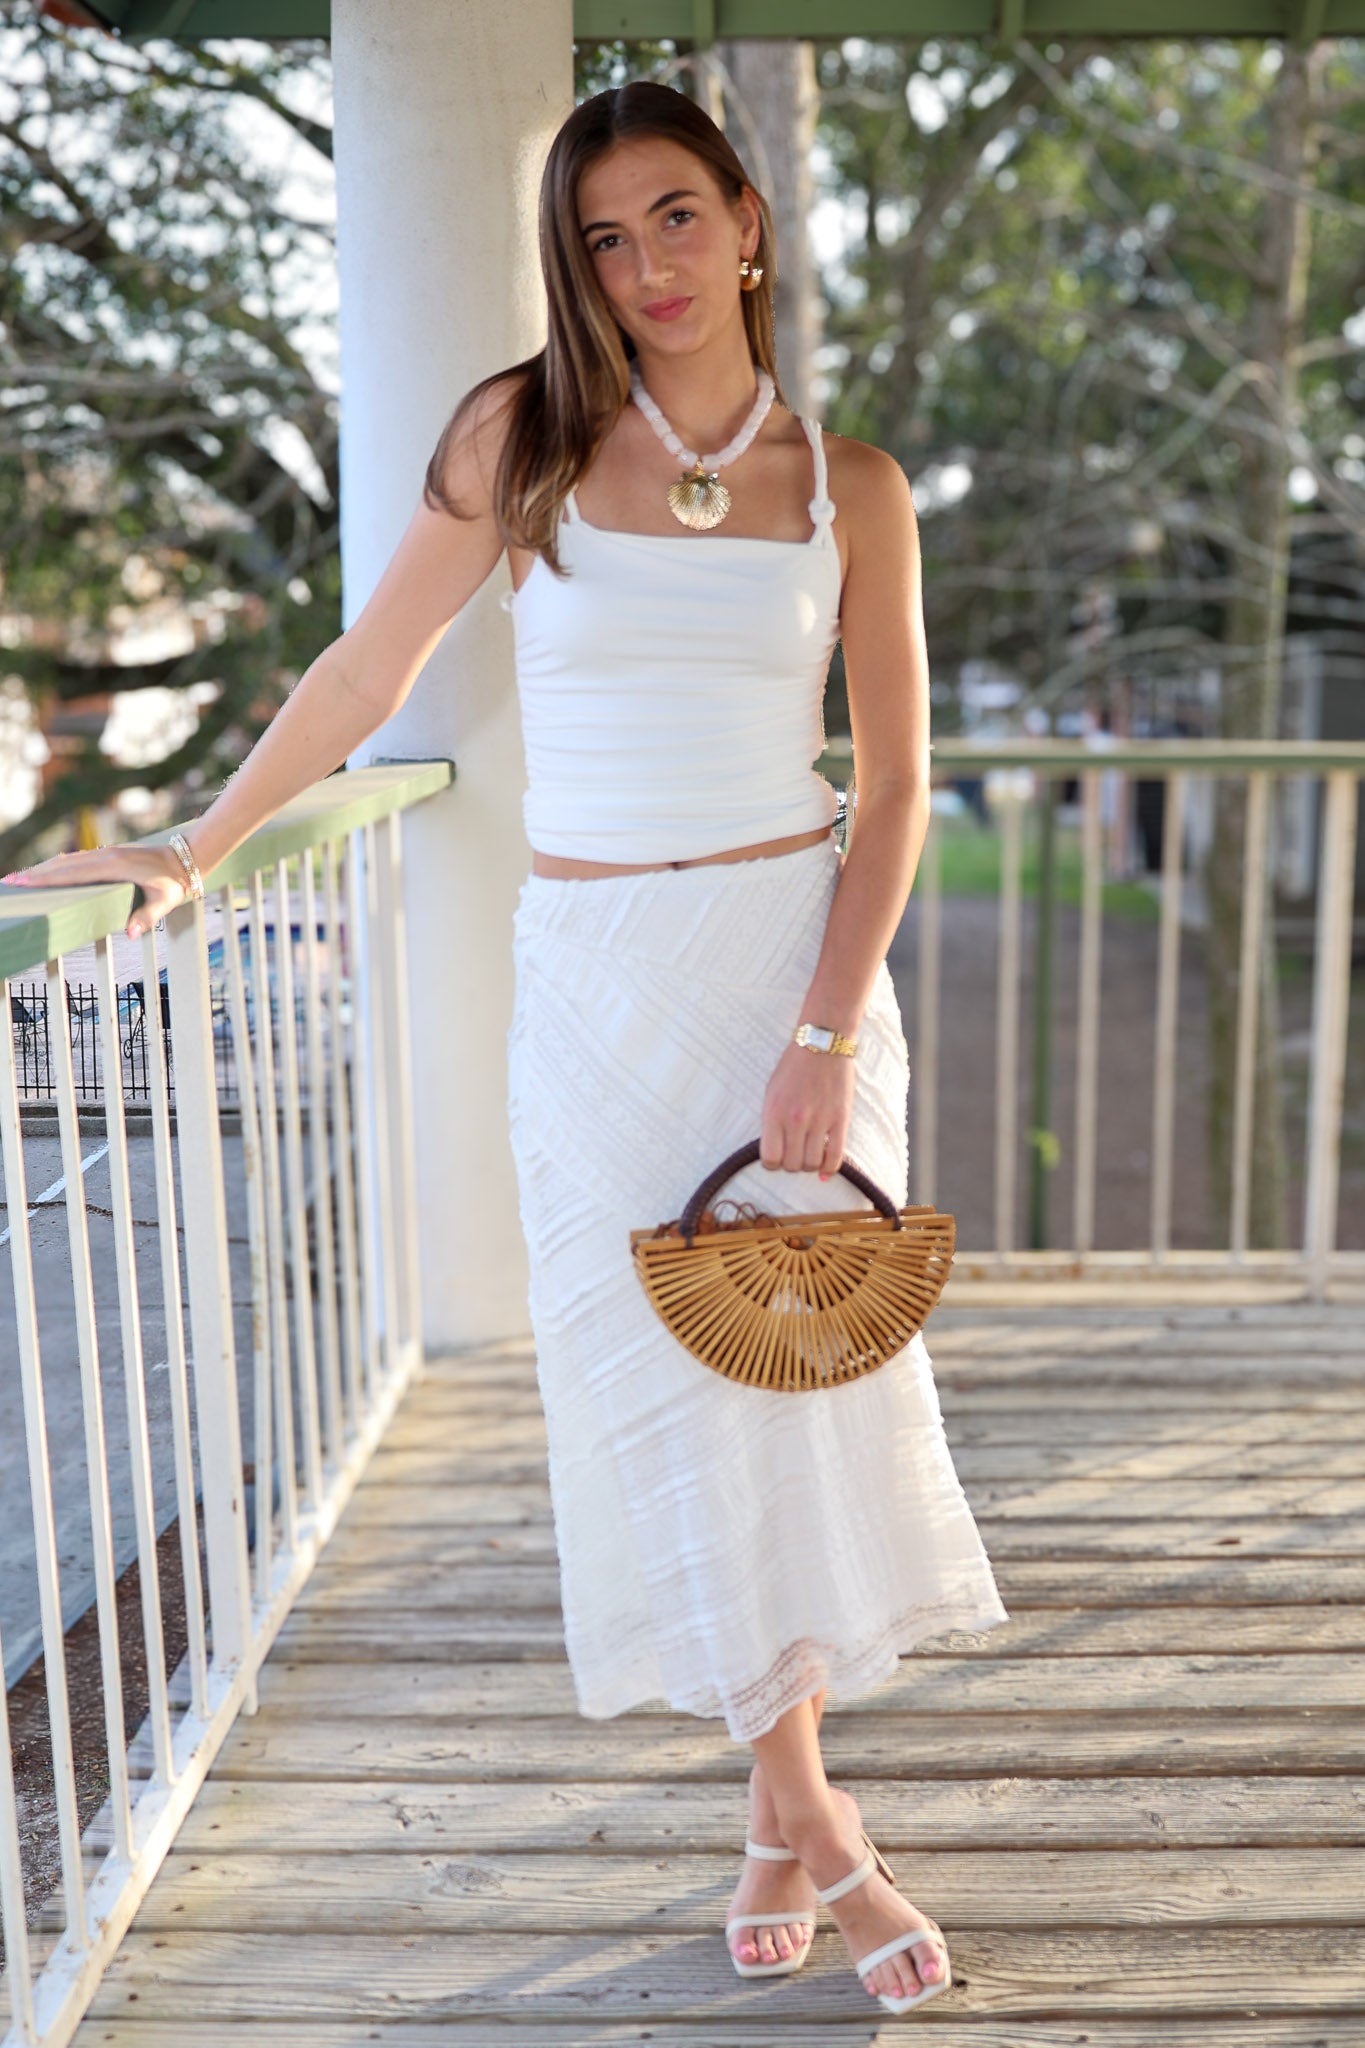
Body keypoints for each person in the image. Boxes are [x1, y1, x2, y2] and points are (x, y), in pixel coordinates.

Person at [3, 78, 1010, 2018]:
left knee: (787, 1378)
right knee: (664, 1386)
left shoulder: (849, 486)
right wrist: (199, 844)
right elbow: (367, 669)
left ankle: (770, 1809)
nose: (643, 266)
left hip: (788, 961)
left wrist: (818, 1026)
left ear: (747, 223)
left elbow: (892, 790)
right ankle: (815, 1815)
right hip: (601, 974)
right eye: (605, 238)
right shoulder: (519, 437)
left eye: (673, 220)